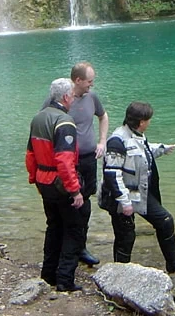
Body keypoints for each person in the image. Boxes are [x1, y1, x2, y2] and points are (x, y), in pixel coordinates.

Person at [99, 102, 175, 274]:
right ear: (141, 121)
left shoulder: (137, 134)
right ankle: (119, 272)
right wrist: (125, 202)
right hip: (121, 199)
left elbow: (142, 152)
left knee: (165, 221)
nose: (150, 123)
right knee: (125, 236)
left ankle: (173, 262)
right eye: (148, 120)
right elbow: (112, 175)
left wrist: (161, 149)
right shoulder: (117, 141)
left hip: (140, 193)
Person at [26, 78, 86, 292]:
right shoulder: (64, 122)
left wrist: (34, 178)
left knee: (53, 227)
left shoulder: (38, 118)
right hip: (61, 184)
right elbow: (64, 160)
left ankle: (48, 274)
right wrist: (75, 190)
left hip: (44, 181)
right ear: (66, 97)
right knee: (73, 230)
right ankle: (65, 280)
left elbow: (30, 154)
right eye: (72, 95)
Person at [69, 62, 109, 266]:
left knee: (85, 203)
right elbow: (45, 121)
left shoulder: (92, 98)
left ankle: (81, 247)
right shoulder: (61, 98)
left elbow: (103, 117)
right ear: (78, 80)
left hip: (88, 158)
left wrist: (102, 141)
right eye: (89, 82)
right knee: (71, 203)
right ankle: (69, 249)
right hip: (68, 162)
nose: (91, 85)